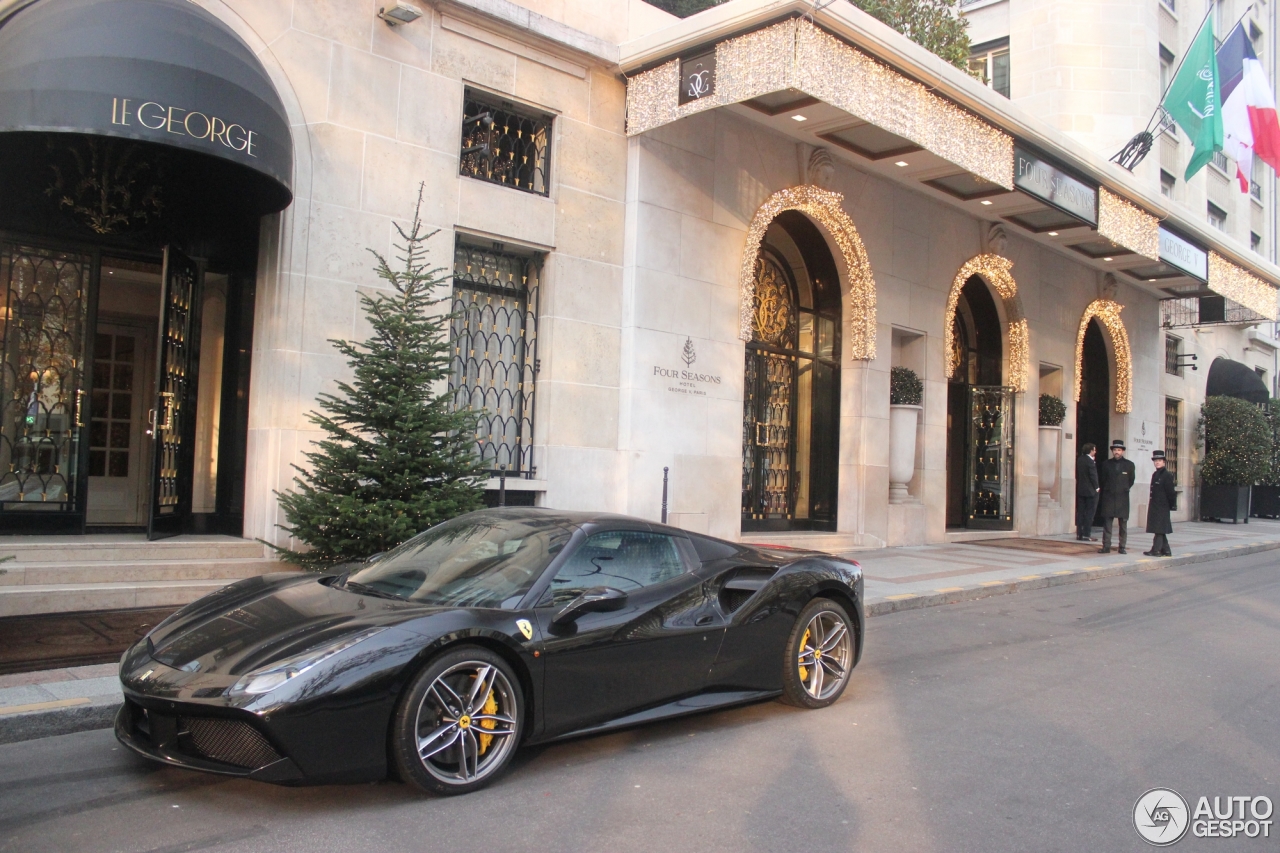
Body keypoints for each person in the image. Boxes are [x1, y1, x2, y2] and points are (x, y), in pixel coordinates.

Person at [1098, 439, 1135, 554]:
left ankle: (1122, 546)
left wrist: (1123, 488)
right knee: (1107, 524)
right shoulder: (1106, 464)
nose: (1117, 452)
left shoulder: (1129, 465)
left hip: (1122, 498)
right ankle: (1106, 546)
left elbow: (1131, 480)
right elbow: (1103, 479)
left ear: (1123, 451)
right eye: (1115, 450)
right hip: (1109, 497)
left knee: (1123, 525)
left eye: (1119, 450)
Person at [1144, 450, 1177, 557]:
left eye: (1159, 460)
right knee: (1160, 528)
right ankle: (1166, 550)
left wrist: (1172, 505)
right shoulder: (1155, 474)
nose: (1157, 462)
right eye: (1155, 461)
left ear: (1164, 462)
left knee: (1159, 529)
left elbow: (1170, 492)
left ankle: (1156, 550)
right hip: (1155, 505)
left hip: (1162, 506)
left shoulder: (1166, 475)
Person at [1075, 442, 1099, 541]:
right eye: (1094, 450)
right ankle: (1086, 534)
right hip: (1090, 491)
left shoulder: (1080, 460)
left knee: (1080, 512)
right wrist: (1097, 487)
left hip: (1081, 489)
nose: (1095, 452)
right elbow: (1093, 476)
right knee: (1090, 513)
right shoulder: (1090, 461)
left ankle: (1079, 534)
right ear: (1091, 450)